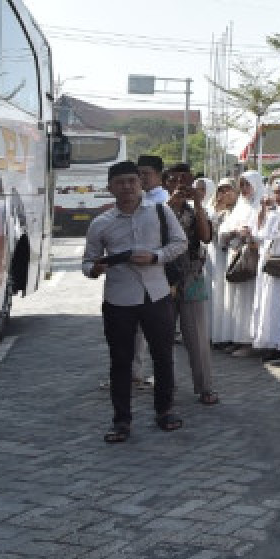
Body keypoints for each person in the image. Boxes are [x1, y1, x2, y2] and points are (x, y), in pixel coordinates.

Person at [82, 160, 188, 442]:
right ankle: (121, 420)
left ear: (141, 183)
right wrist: (94, 269)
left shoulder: (161, 212)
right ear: (110, 188)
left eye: (133, 181)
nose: (127, 187)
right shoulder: (100, 223)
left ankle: (165, 410)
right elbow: (88, 261)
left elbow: (180, 243)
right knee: (121, 361)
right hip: (119, 299)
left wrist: (155, 257)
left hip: (157, 294)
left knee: (163, 356)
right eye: (120, 182)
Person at [164, 164, 218, 405]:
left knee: (197, 335)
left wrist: (197, 205)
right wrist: (171, 206)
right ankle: (166, 385)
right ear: (166, 183)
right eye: (174, 180)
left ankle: (204, 386)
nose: (180, 185)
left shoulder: (197, 210)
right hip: (163, 278)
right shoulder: (157, 210)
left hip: (192, 276)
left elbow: (206, 237)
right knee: (163, 336)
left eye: (186, 181)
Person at [219, 171, 263, 357]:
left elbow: (266, 232)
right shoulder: (240, 207)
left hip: (251, 259)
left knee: (248, 301)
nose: (244, 189)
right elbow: (223, 231)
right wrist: (233, 231)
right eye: (242, 185)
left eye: (248, 184)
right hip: (235, 255)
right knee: (235, 300)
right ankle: (237, 338)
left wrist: (250, 234)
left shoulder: (261, 205)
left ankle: (249, 341)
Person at [252, 179, 280, 364]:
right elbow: (259, 233)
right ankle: (272, 343)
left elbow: (268, 234)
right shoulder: (275, 212)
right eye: (275, 192)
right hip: (271, 266)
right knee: (269, 306)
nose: (276, 196)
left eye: (279, 192)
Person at [206, 179, 239, 345]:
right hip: (212, 257)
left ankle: (224, 336)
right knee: (213, 296)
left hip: (228, 257)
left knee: (225, 297)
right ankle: (212, 333)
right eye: (221, 190)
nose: (224, 193)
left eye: (228, 190)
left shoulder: (238, 210)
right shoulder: (211, 209)